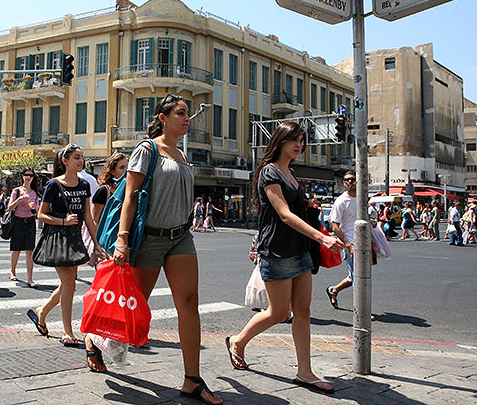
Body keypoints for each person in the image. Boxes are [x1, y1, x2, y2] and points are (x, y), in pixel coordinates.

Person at [112, 94, 223, 403]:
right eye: (180, 113)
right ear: (163, 117)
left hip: (181, 237)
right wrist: (123, 239)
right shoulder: (146, 150)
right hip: (150, 237)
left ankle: (193, 379)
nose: (187, 118)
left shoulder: (182, 155)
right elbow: (130, 196)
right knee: (135, 307)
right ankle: (96, 342)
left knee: (189, 302)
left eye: (187, 113)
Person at [226, 122, 342, 395]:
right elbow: (284, 214)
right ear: (279, 141)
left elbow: (296, 212)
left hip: (299, 249)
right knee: (278, 313)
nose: (299, 144)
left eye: (301, 140)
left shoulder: (291, 173)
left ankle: (305, 371)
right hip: (277, 250)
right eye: (293, 139)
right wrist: (322, 238)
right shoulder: (269, 172)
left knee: (302, 312)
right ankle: (238, 343)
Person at [27, 144, 107, 347]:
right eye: (76, 158)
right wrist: (63, 220)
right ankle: (67, 331)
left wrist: (96, 243)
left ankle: (42, 312)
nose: (81, 161)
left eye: (82, 158)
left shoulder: (84, 185)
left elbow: (88, 217)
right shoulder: (54, 184)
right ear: (65, 161)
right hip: (58, 238)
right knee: (70, 284)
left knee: (66, 284)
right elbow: (41, 214)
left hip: (75, 238)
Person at [326, 171, 357, 310]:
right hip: (351, 242)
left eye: (353, 179)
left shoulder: (363, 198)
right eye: (347, 180)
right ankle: (361, 311)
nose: (350, 182)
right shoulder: (341, 201)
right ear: (344, 182)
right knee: (358, 278)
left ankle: (334, 290)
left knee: (356, 277)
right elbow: (335, 227)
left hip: (363, 241)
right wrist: (348, 244)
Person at [8, 167, 39, 287]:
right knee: (16, 249)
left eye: (31, 175)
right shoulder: (16, 191)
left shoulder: (34, 193)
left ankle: (30, 278)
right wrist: (20, 199)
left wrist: (34, 207)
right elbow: (9, 207)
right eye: (26, 175)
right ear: (22, 176)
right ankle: (13, 271)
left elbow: (36, 211)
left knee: (30, 251)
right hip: (18, 221)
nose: (28, 177)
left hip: (30, 222)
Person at [90, 152, 128, 225]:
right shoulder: (104, 191)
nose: (125, 171)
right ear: (112, 171)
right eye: (121, 167)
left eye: (127, 168)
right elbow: (94, 220)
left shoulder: (130, 191)